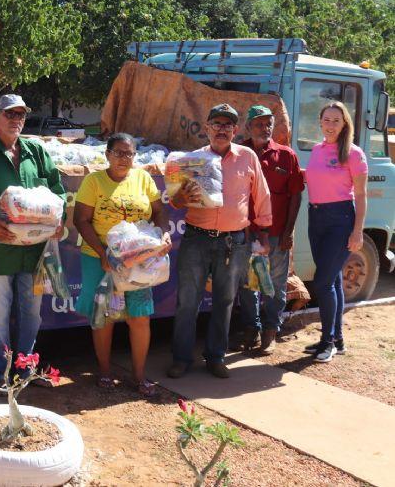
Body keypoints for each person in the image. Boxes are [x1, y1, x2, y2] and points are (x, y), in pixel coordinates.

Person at [0, 94, 65, 393]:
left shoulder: (36, 151)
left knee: (32, 312)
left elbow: (57, 189)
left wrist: (59, 218)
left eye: (21, 115)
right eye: (10, 114)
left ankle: (25, 370)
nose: (16, 119)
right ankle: (0, 373)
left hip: (33, 250)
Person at [167, 104, 272, 379]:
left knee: (225, 301)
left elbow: (261, 193)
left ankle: (216, 357)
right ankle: (181, 359)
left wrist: (263, 232)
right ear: (207, 128)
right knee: (187, 301)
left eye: (228, 125)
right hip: (196, 239)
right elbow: (176, 202)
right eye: (217, 124)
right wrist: (182, 195)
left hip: (233, 243)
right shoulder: (192, 160)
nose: (222, 129)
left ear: (235, 130)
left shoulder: (247, 157)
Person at [73, 133, 171, 398]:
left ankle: (139, 376)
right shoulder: (93, 181)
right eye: (118, 153)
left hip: (138, 262)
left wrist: (163, 233)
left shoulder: (143, 178)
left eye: (129, 154)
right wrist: (103, 253)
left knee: (139, 317)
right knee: (104, 317)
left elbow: (160, 212)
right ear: (107, 154)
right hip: (100, 259)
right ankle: (105, 371)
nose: (123, 159)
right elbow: (81, 220)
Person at [233, 105, 304, 355]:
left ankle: (271, 331)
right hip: (246, 231)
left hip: (276, 233)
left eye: (268, 124)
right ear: (248, 128)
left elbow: (296, 195)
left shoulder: (286, 155)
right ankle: (251, 329)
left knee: (274, 284)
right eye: (259, 124)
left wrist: (289, 231)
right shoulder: (239, 153)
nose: (265, 128)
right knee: (249, 283)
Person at [303, 102, 367, 363]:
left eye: (336, 121)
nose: (330, 125)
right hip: (316, 217)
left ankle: (326, 341)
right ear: (320, 122)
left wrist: (358, 231)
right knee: (333, 281)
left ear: (345, 124)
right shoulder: (317, 150)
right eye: (326, 120)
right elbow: (315, 178)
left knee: (323, 281)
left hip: (340, 219)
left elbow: (361, 196)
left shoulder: (353, 153)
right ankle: (337, 339)